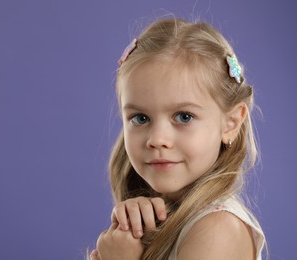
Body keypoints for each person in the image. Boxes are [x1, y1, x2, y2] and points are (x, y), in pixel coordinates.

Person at [90, 17, 266, 260]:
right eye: (140, 118)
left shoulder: (218, 230)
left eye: (184, 117)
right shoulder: (153, 219)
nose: (157, 139)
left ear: (231, 123)